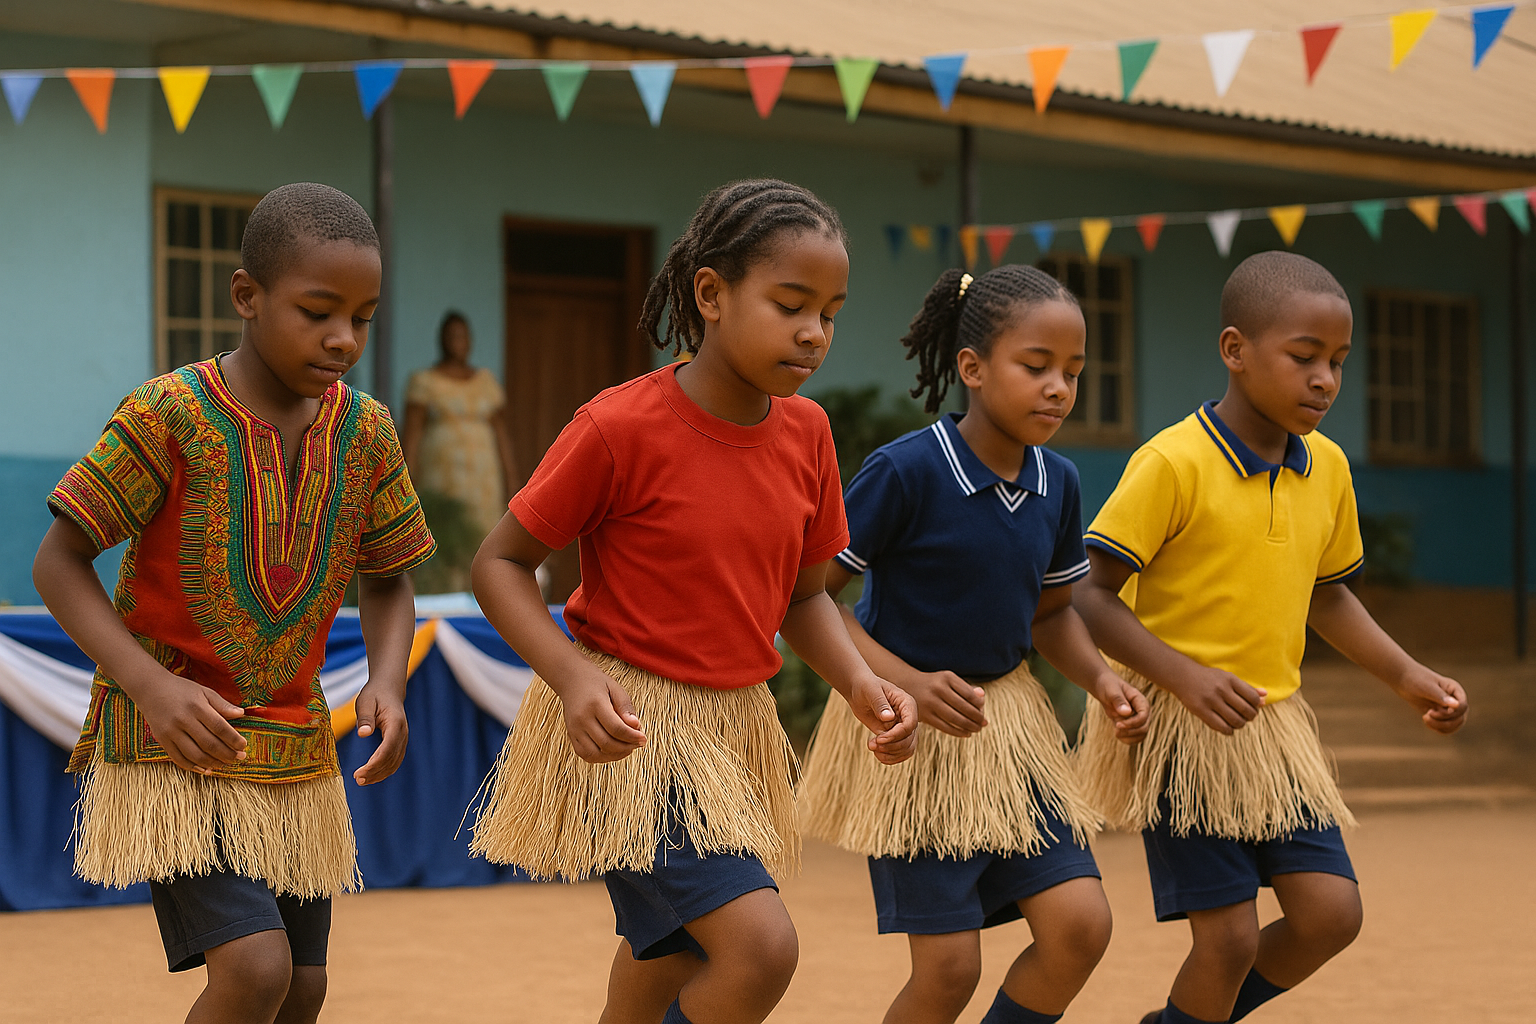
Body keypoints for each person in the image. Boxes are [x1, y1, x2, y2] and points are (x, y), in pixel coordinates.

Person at [468, 178, 919, 1024]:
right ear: (711, 294)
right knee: (759, 947)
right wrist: (573, 678)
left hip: (732, 738)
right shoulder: (618, 427)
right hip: (637, 735)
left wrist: (860, 683)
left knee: (674, 952)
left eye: (830, 313)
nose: (814, 332)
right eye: (791, 304)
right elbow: (500, 563)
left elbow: (805, 600)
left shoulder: (808, 435)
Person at [32, 182, 435, 1024]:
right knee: (254, 971)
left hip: (295, 755)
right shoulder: (167, 413)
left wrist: (388, 680)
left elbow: (390, 577)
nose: (343, 338)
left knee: (305, 987)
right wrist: (152, 687)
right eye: (318, 312)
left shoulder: (367, 432)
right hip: (176, 747)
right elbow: (58, 563)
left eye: (363, 318)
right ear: (246, 295)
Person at [1071, 251, 1468, 1024]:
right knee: (1226, 942)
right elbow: (1087, 594)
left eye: (1339, 361)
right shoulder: (1172, 462)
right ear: (1236, 350)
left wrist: (1407, 675)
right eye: (1304, 357)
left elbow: (1329, 595)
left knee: (1330, 915)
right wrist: (1184, 677)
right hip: (1181, 731)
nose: (1326, 379)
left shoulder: (1329, 468)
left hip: (1274, 730)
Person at [797, 265, 1149, 1024]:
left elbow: (1052, 614)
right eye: (1036, 366)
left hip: (1011, 734)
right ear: (973, 367)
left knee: (1080, 926)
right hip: (910, 739)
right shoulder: (905, 471)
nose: (1059, 388)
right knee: (949, 970)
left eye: (1073, 372)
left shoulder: (1059, 482)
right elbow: (812, 599)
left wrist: (1100, 679)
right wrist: (908, 685)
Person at [402, 311, 518, 538]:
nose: (458, 342)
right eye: (452, 336)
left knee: (483, 540)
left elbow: (502, 436)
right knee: (446, 539)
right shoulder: (425, 382)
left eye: (463, 336)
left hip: (484, 484)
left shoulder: (486, 382)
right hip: (442, 480)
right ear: (442, 340)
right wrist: (406, 484)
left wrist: (512, 481)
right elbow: (412, 437)